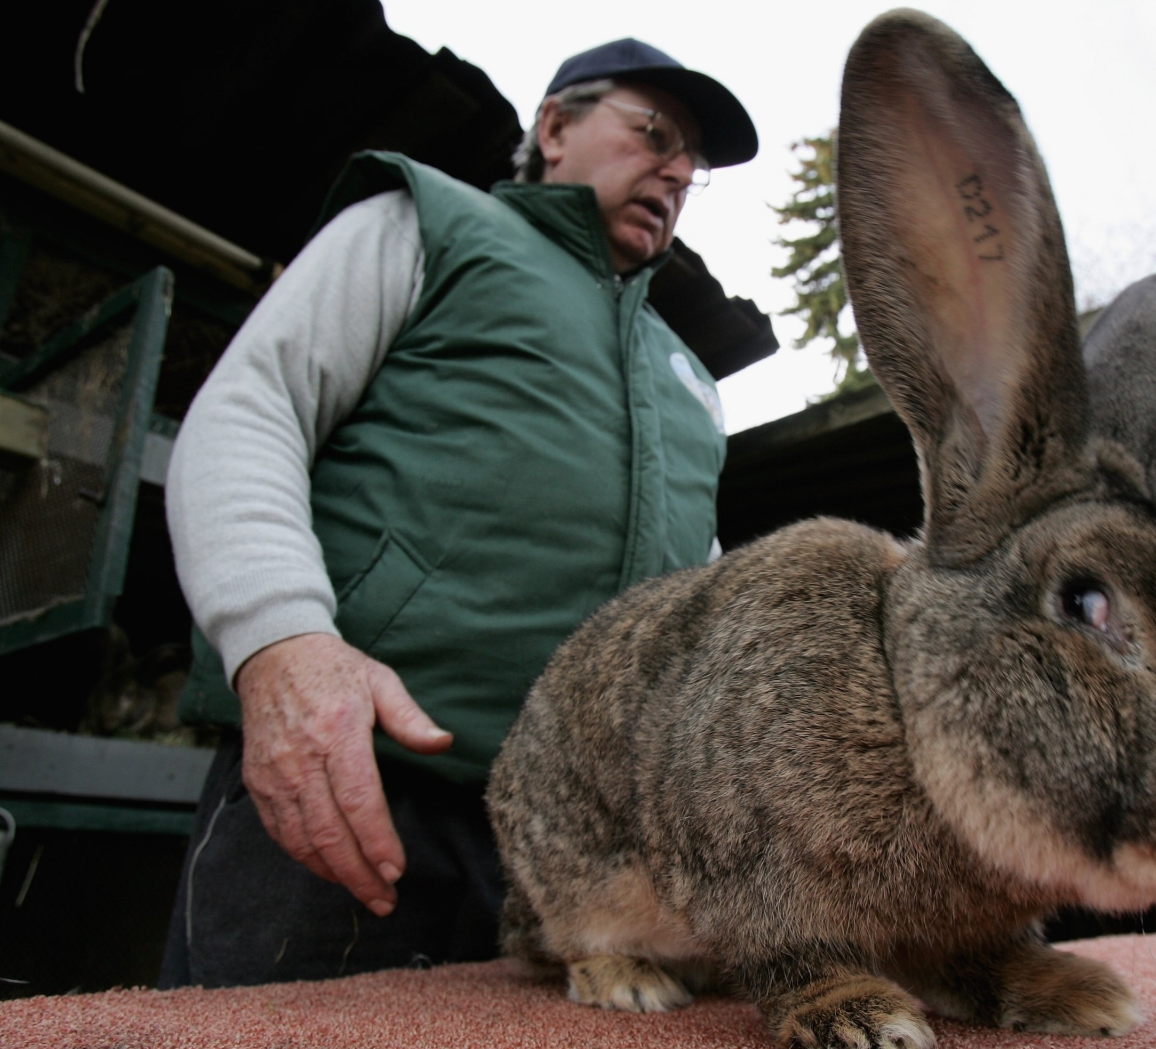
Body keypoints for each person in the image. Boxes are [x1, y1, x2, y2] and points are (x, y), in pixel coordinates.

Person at [157, 38, 757, 988]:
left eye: (694, 165)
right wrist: (279, 645)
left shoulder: (689, 373)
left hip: (580, 856)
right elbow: (249, 409)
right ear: (554, 128)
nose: (678, 170)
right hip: (356, 789)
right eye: (654, 134)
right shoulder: (426, 224)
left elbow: (699, 590)